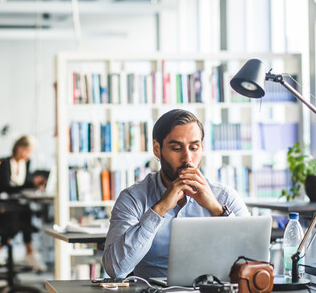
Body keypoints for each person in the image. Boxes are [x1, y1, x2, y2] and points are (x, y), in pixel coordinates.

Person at [102, 109, 250, 280]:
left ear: (202, 148)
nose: (187, 158)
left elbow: (252, 263)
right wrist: (159, 209)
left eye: (194, 147)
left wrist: (216, 209)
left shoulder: (225, 197)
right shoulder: (133, 198)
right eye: (176, 148)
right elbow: (115, 268)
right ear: (157, 149)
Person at [0, 135, 48, 272]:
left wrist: (34, 183)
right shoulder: (4, 164)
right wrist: (30, 183)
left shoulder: (26, 164)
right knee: (22, 214)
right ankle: (26, 252)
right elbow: (6, 186)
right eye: (27, 151)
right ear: (19, 149)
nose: (29, 155)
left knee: (25, 211)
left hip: (14, 204)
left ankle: (6, 249)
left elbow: (23, 184)